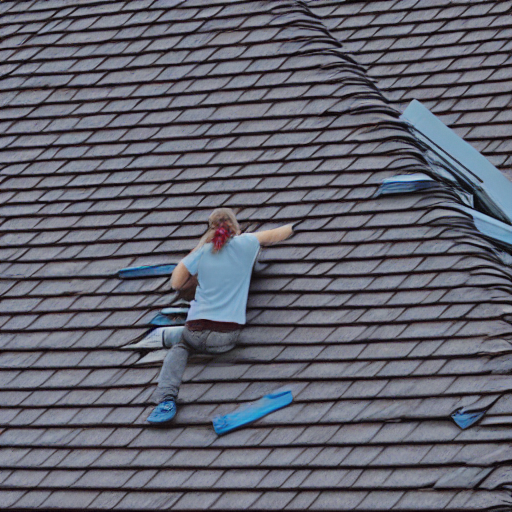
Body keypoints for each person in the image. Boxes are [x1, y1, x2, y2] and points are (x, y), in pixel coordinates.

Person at [147, 208, 294, 425]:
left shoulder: (203, 251)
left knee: (179, 348)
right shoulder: (247, 242)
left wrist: (198, 251)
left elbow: (176, 282)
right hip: (226, 336)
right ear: (234, 226)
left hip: (195, 333)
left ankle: (167, 398)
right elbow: (277, 234)